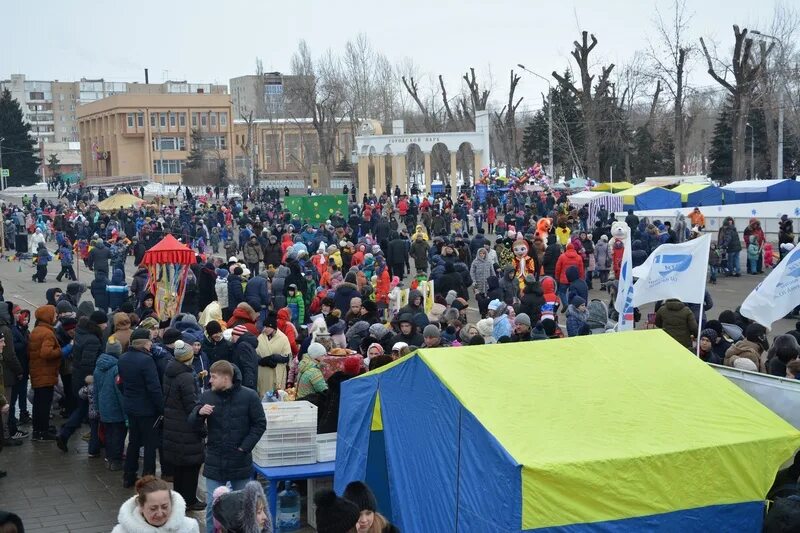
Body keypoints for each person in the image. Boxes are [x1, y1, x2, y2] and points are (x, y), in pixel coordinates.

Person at [189, 360, 266, 533]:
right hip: (215, 459)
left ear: (226, 378)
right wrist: (199, 414)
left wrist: (244, 448)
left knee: (246, 507)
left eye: (214, 377)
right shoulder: (207, 396)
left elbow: (259, 424)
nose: (210, 381)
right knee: (212, 508)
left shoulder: (249, 396)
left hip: (240, 459)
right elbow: (193, 425)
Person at [118, 328, 165, 488]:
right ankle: (148, 479)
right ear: (145, 342)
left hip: (131, 407)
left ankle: (128, 476)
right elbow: (154, 388)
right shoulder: (147, 360)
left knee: (133, 442)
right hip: (147, 410)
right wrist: (161, 408)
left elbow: (121, 383)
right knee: (150, 445)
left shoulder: (123, 358)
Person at [162, 340, 206, 512]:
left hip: (173, 424)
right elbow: (191, 406)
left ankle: (179, 498)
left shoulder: (170, 371)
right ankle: (189, 501)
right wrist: (202, 427)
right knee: (191, 466)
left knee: (179, 466)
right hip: (185, 427)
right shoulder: (186, 376)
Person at [112, 475, 199, 533]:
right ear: (141, 506)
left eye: (165, 507)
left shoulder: (189, 528)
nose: (160, 514)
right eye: (153, 509)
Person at [28, 305, 64, 441]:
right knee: (44, 403)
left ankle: (38, 429)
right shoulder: (47, 333)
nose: (56, 317)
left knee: (38, 403)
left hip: (37, 372)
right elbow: (46, 353)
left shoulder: (37, 330)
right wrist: (60, 351)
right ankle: (42, 432)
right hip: (45, 373)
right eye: (54, 314)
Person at [94, 336, 127, 470]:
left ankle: (109, 457)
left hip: (104, 408)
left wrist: (97, 407)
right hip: (116, 409)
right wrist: (126, 413)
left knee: (108, 434)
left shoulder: (98, 367)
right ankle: (116, 460)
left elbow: (95, 389)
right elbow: (119, 392)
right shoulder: (117, 369)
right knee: (118, 435)